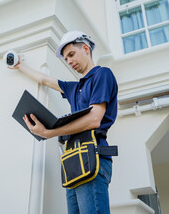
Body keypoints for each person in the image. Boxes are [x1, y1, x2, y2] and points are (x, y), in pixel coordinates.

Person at [9, 31, 118, 214]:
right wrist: (20, 66)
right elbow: (44, 80)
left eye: (71, 55)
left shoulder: (102, 75)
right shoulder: (74, 88)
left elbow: (94, 119)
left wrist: (49, 132)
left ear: (85, 48)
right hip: (73, 161)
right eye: (66, 59)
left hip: (92, 155)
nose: (69, 62)